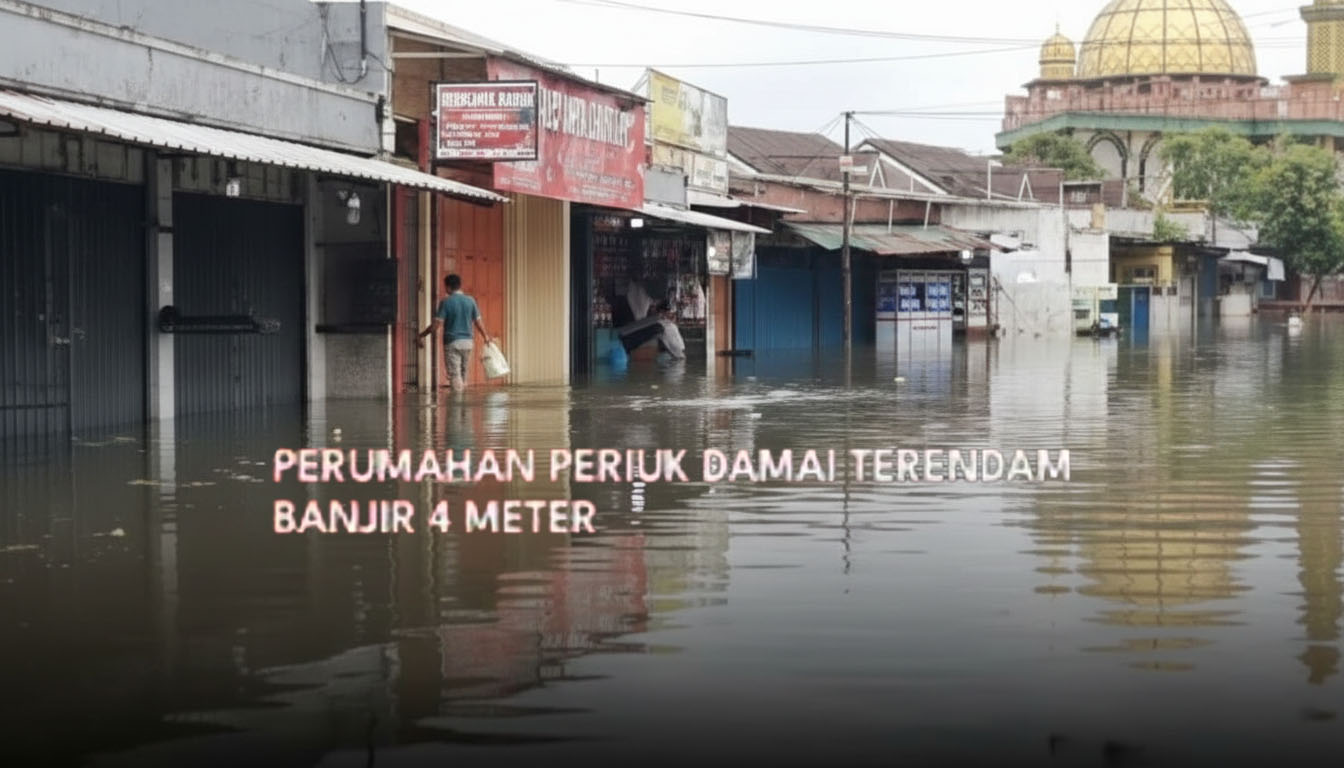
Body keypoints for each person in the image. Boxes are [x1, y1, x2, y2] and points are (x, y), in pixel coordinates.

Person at [419, 274, 492, 391]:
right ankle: (464, 407)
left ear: (448, 287)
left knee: (455, 375)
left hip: (453, 343)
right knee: (463, 374)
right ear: (459, 286)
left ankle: (457, 405)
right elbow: (478, 322)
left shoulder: (446, 302)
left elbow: (436, 325)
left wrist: (422, 335)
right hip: (468, 343)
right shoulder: (471, 301)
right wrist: (485, 337)